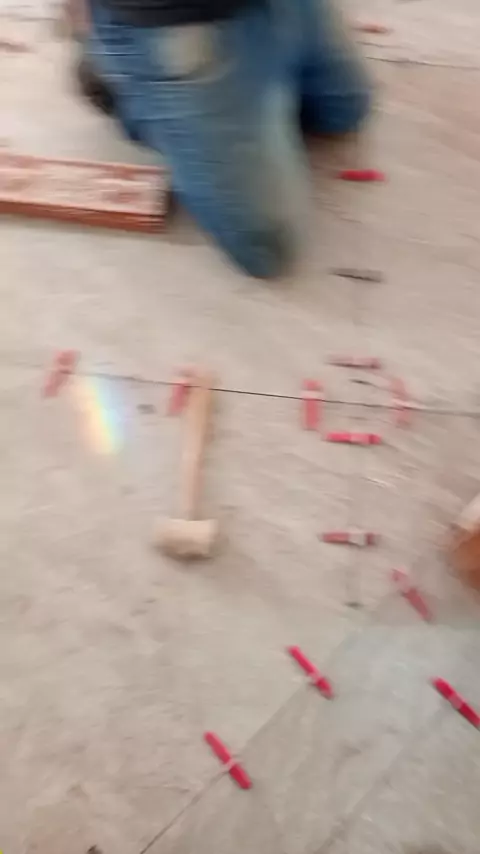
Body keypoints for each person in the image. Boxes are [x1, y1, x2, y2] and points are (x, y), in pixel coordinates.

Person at [75, 0, 371, 277]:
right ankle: (119, 75)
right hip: (181, 23)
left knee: (343, 111)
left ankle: (258, 78)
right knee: (266, 248)